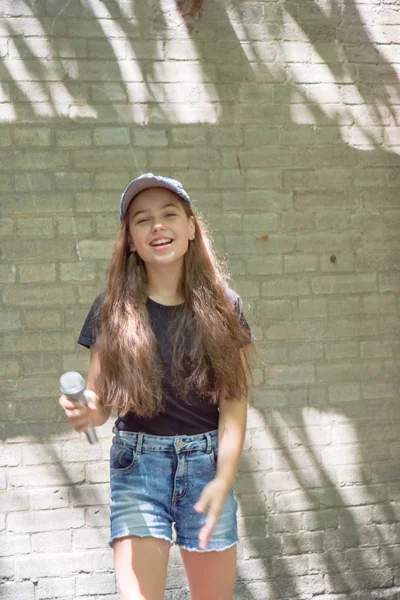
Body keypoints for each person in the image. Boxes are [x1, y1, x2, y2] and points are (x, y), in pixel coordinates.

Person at [59, 173, 254, 600]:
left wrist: (224, 478)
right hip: (139, 465)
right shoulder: (111, 309)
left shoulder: (227, 307)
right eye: (142, 220)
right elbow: (100, 402)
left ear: (190, 227)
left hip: (207, 468)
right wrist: (86, 412)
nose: (158, 226)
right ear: (130, 239)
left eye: (169, 215)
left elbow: (235, 404)